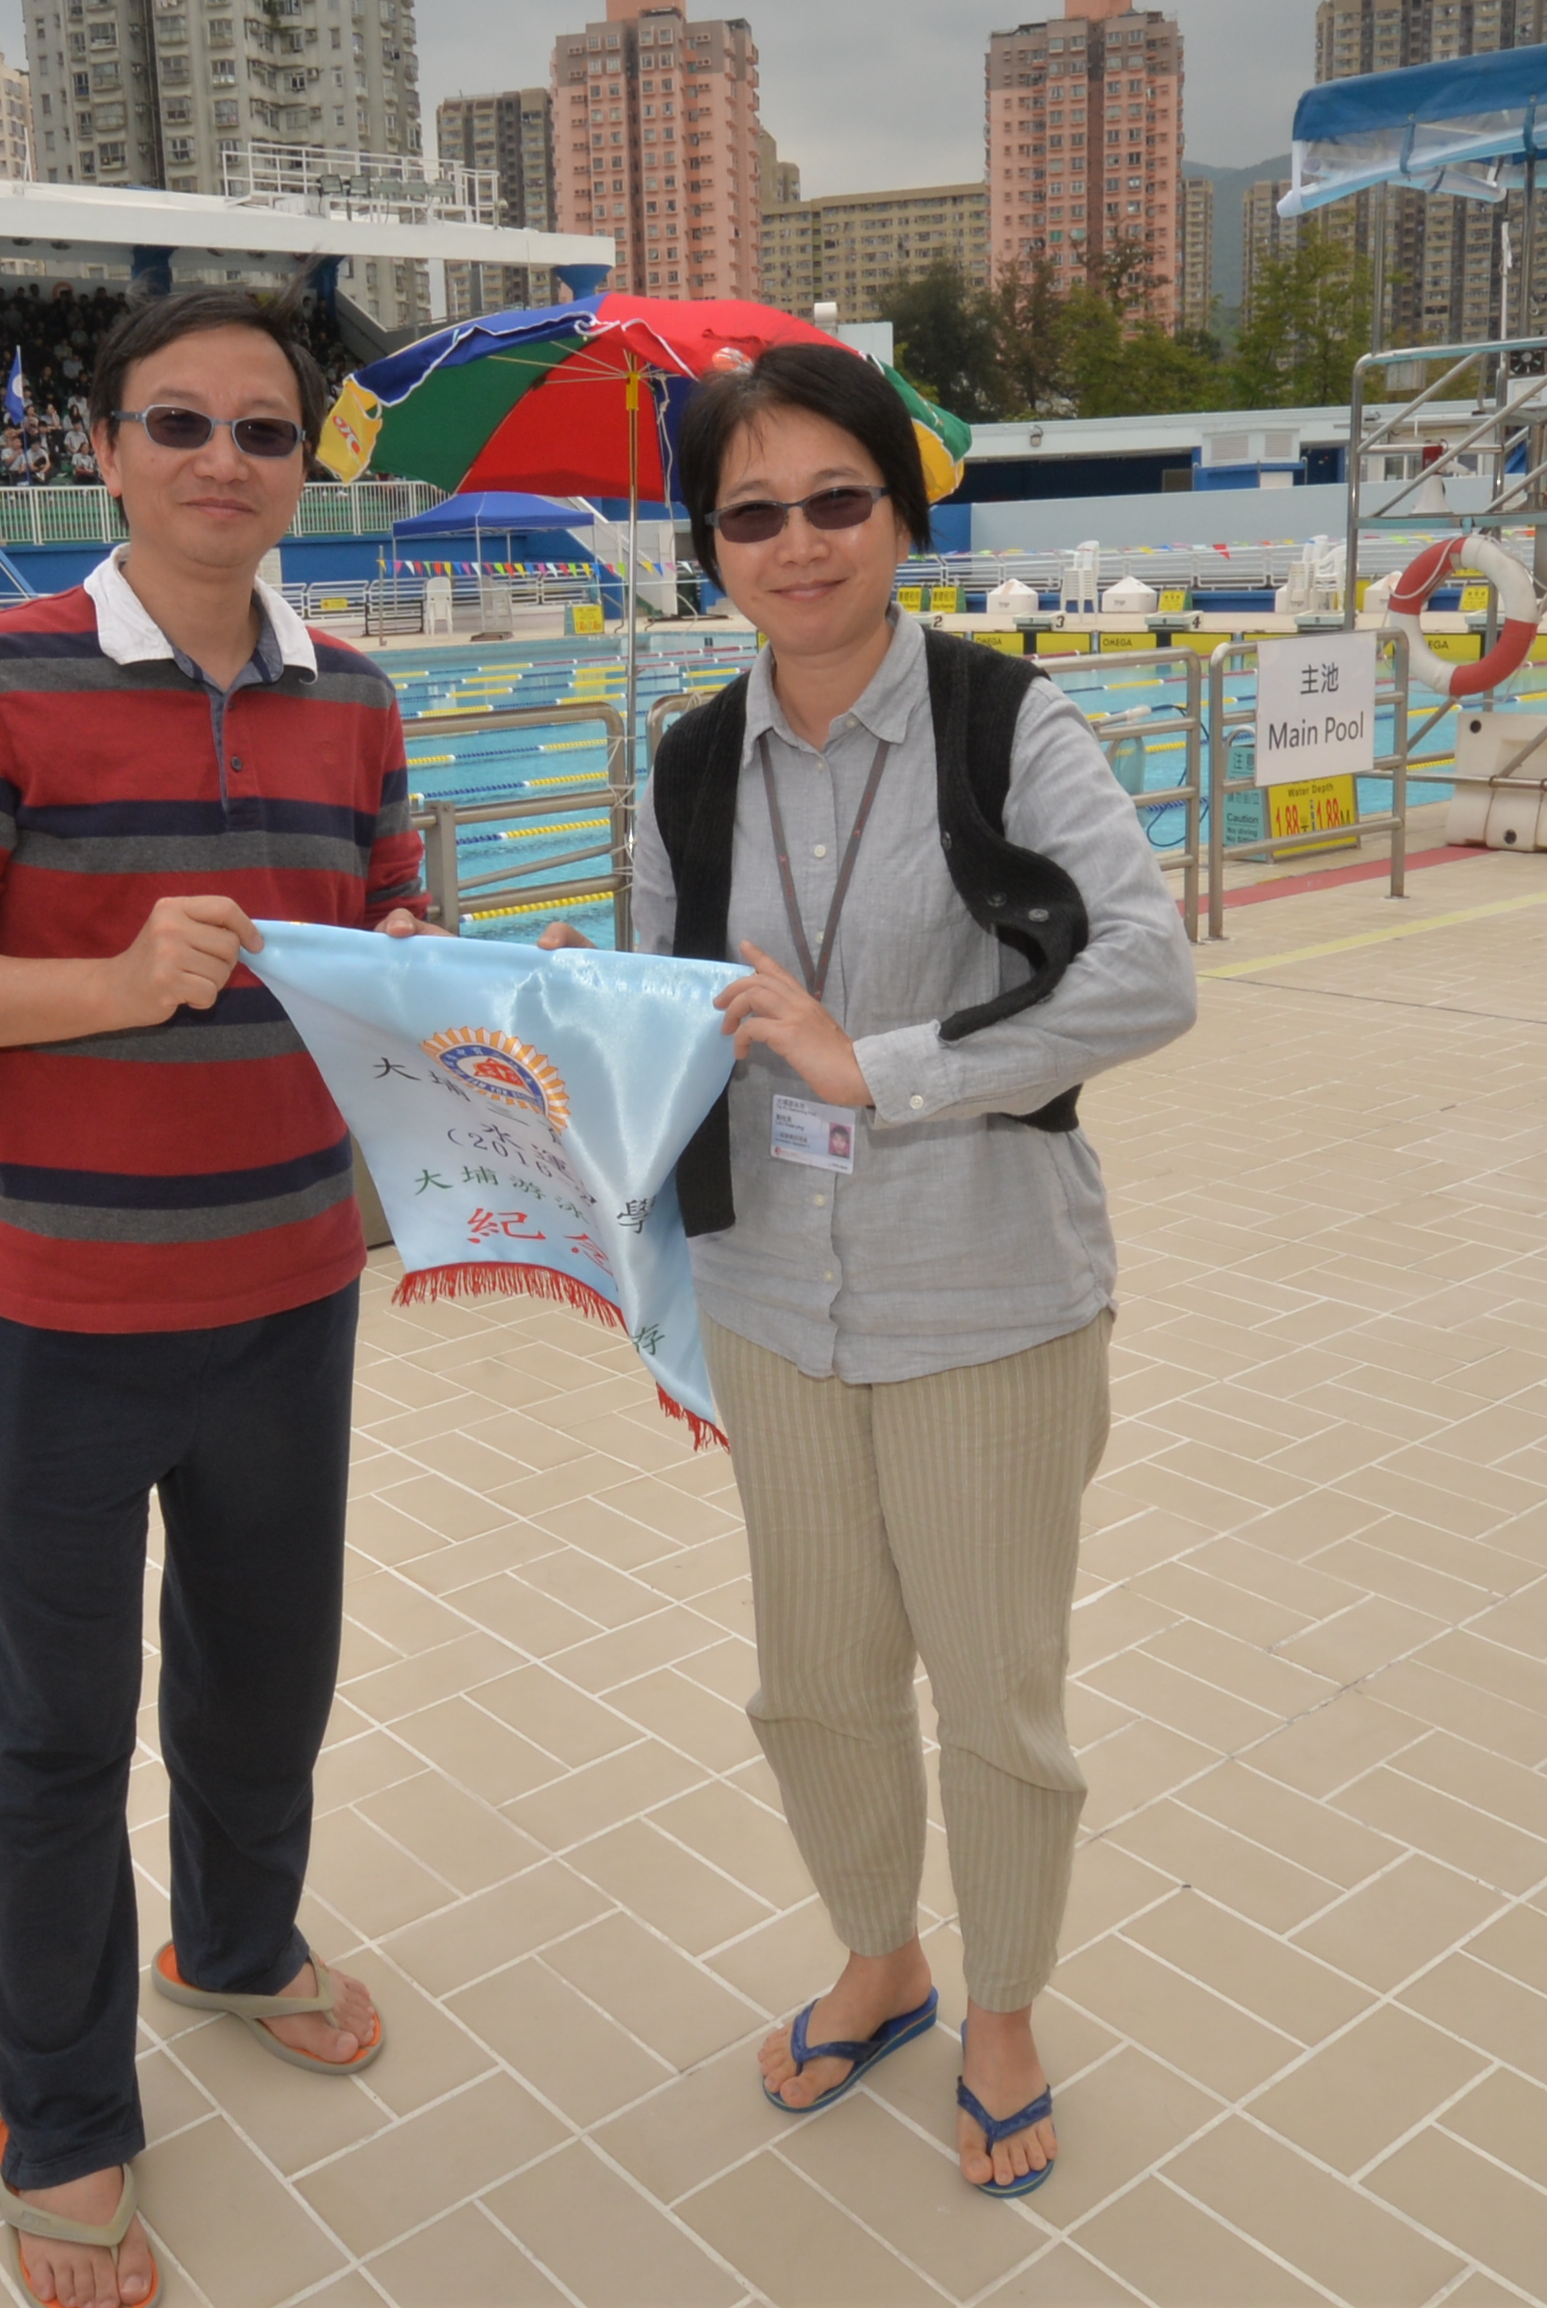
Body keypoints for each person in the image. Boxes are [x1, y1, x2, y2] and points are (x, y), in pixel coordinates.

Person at [0, 286, 429, 2308]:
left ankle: (237, 1946)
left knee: (267, 1679)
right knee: (53, 1736)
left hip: (287, 1285)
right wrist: (110, 982)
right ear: (102, 451)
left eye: (264, 430)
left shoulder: (353, 692)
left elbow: (385, 902)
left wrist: (435, 963)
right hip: (57, 1310)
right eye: (179, 422)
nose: (222, 461)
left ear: (302, 466)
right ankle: (65, 2116)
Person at [550, 344, 1196, 2197]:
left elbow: (1145, 974)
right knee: (815, 1676)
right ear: (708, 548)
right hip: (772, 1302)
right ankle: (879, 1955)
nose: (801, 543)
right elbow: (674, 1009)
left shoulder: (1006, 726)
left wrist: (881, 1067)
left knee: (994, 1689)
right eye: (751, 513)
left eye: (838, 500)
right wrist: (564, 1011)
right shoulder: (690, 761)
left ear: (901, 515)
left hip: (986, 1293)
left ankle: (1004, 2002)